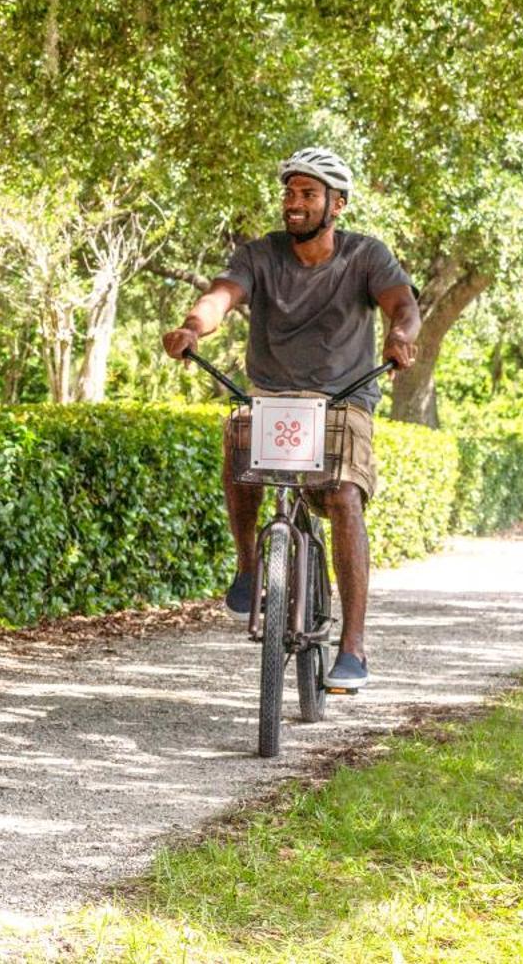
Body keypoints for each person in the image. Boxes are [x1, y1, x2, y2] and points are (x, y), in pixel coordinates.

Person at [162, 148, 419, 690]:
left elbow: (402, 304)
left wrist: (401, 336)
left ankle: (353, 648)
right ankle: (250, 563)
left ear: (336, 205)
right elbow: (222, 296)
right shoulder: (261, 255)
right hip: (274, 395)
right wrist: (191, 327)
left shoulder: (366, 256)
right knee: (238, 439)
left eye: (308, 194)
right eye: (290, 194)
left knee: (345, 497)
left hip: (342, 399)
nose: (294, 204)